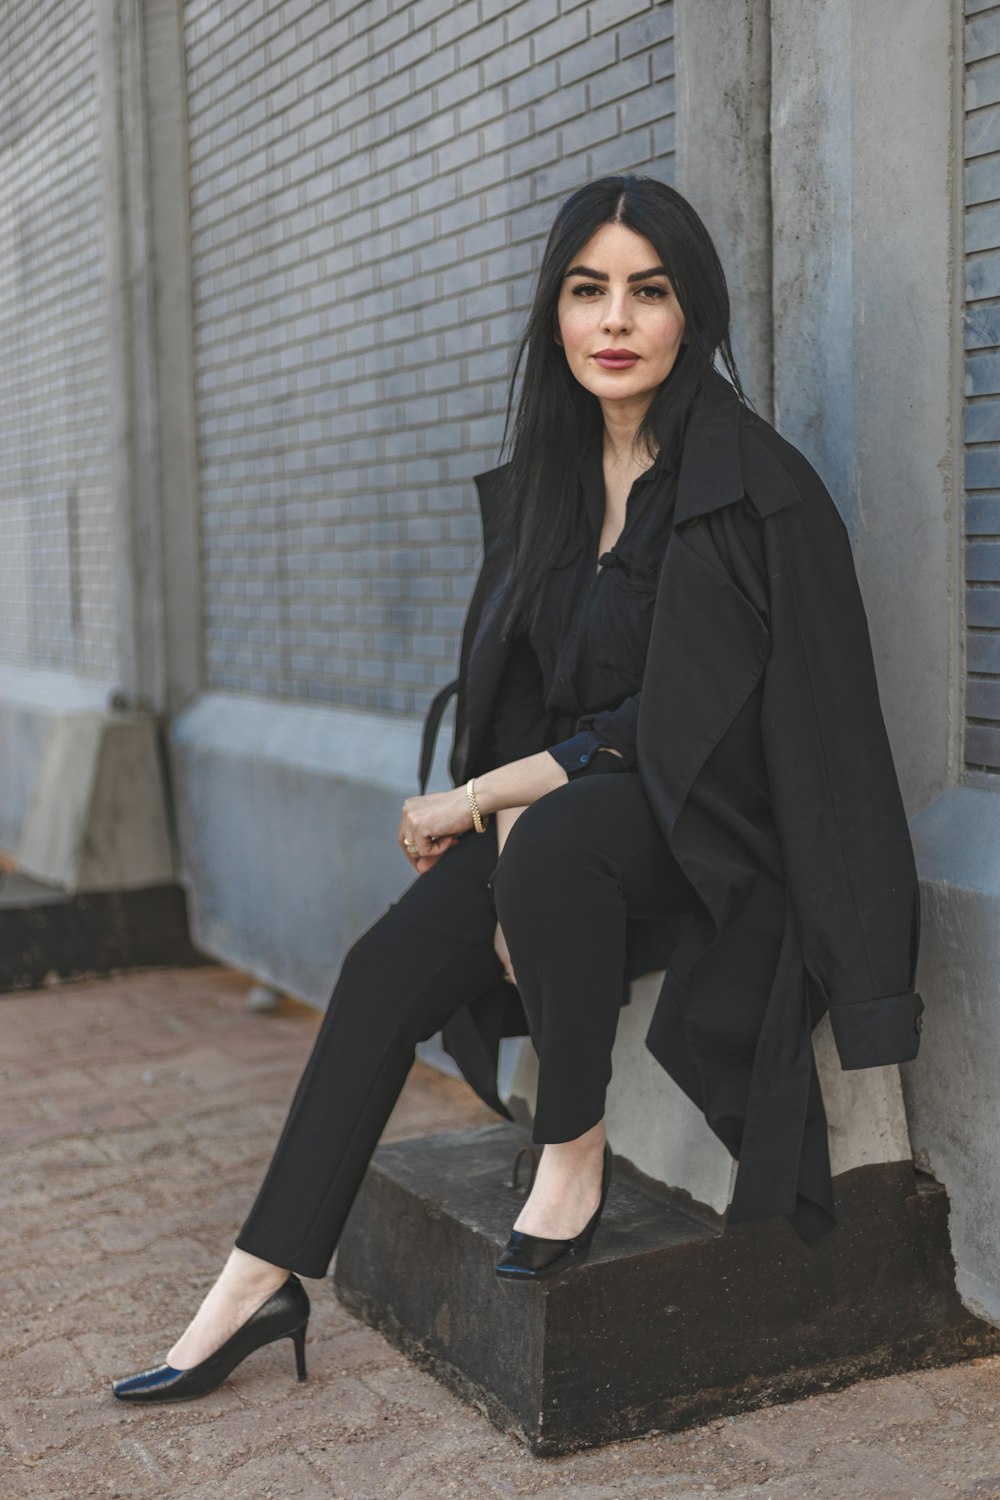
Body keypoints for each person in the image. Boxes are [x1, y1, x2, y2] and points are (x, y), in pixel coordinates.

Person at [111, 173, 924, 1404]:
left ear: (689, 315)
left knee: (551, 846)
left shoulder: (751, 490)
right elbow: (543, 700)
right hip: (576, 834)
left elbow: (684, 725)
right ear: (554, 313)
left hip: (709, 832)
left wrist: (477, 800)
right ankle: (258, 1278)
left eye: (646, 293)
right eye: (587, 290)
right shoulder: (546, 488)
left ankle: (571, 1147)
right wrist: (500, 839)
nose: (615, 320)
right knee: (389, 967)